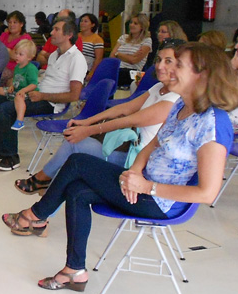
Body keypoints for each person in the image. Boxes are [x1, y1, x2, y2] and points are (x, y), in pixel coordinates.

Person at [1, 42, 238, 290]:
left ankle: (35, 216)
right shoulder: (182, 106)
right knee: (76, 191)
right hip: (142, 185)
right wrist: (135, 172)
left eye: (178, 65)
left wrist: (147, 187)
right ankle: (74, 271)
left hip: (161, 202)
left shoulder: (213, 123)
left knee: (78, 162)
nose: (169, 70)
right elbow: (153, 144)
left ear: (201, 75)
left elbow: (207, 193)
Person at [13, 38, 184, 196]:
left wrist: (88, 129)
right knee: (72, 160)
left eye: (168, 61)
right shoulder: (159, 88)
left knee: (74, 147)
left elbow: (129, 119)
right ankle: (43, 189)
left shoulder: (174, 99)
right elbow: (124, 108)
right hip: (128, 147)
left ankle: (42, 181)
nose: (160, 65)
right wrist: (86, 121)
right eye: (159, 60)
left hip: (139, 160)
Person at [0, 16, 87, 170]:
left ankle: (11, 157)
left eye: (56, 30)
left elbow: (74, 96)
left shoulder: (77, 59)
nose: (51, 32)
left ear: (68, 35)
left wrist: (42, 96)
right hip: (37, 94)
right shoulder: (54, 55)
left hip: (51, 103)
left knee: (7, 108)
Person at [4, 39, 40, 131]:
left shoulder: (31, 68)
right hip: (17, 90)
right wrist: (12, 86)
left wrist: (23, 90)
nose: (17, 56)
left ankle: (20, 120)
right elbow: (15, 80)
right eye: (16, 53)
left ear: (29, 57)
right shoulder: (17, 67)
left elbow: (34, 84)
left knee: (18, 98)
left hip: (28, 93)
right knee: (0, 90)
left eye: (20, 54)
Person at [110, 13, 152, 89]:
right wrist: (130, 56)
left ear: (142, 26)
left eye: (135, 23)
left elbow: (134, 61)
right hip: (117, 68)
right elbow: (112, 56)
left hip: (134, 72)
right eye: (131, 22)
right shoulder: (123, 38)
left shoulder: (147, 41)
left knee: (116, 75)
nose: (131, 25)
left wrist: (118, 54)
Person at [79, 12, 105, 82]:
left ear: (92, 25)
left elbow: (98, 58)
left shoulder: (97, 39)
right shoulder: (75, 36)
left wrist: (92, 72)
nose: (82, 23)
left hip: (86, 69)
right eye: (81, 21)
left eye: (85, 21)